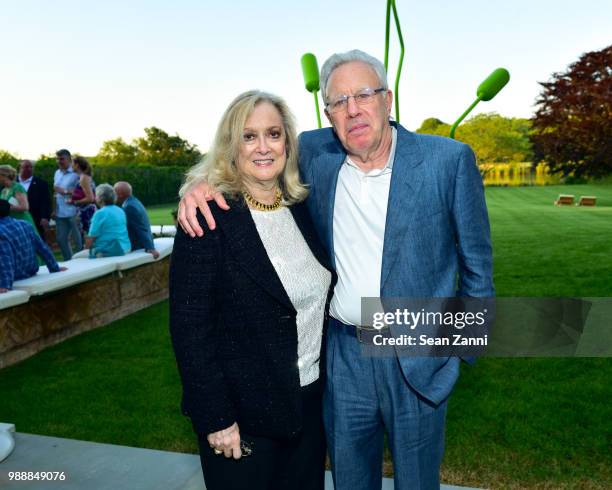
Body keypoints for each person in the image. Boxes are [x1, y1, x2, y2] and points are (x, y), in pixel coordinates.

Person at [177, 50, 494, 490]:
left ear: (387, 99)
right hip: (343, 356)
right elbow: (246, 156)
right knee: (348, 479)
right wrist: (198, 187)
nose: (352, 109)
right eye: (338, 101)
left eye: (363, 94)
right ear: (327, 114)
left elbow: (478, 269)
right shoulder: (315, 153)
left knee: (418, 482)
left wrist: (459, 353)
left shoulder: (448, 160)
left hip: (418, 349)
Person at [169, 90, 334, 490]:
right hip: (241, 419)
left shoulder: (300, 206)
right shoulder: (209, 215)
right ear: (231, 145)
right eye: (248, 136)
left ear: (287, 143)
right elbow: (190, 330)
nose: (263, 147)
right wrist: (216, 417)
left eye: (273, 134)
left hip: (308, 406)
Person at [0, 200, 67, 293]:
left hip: (14, 276)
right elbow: (42, 248)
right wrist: (54, 267)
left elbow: (5, 259)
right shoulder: (25, 224)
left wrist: (5, 285)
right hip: (30, 271)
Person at [113, 181, 159, 259]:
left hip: (137, 245)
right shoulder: (133, 202)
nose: (113, 194)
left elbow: (140, 228)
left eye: (114, 192)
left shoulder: (129, 207)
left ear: (120, 194)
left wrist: (150, 248)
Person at [84, 184, 131, 258]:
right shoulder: (120, 210)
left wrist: (85, 249)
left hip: (112, 251)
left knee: (75, 257)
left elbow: (91, 238)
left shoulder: (100, 213)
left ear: (100, 198)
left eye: (96, 195)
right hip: (126, 248)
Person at [53, 149, 82, 260]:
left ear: (69, 159)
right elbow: (55, 192)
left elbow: (84, 191)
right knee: (61, 239)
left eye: (62, 159)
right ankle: (69, 262)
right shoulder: (57, 173)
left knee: (78, 240)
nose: (59, 161)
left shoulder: (76, 173)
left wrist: (64, 191)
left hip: (74, 211)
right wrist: (54, 209)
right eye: (57, 159)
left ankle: (84, 264)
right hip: (60, 212)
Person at [18, 159, 51, 239]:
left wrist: (45, 217)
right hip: (17, 217)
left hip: (36, 219)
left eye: (31, 167)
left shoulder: (41, 183)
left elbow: (46, 202)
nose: (29, 169)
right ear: (19, 168)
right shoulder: (13, 183)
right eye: (26, 167)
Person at [0, 164, 36, 229]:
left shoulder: (17, 187)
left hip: (22, 222)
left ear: (4, 175)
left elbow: (25, 207)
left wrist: (5, 208)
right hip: (11, 223)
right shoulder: (4, 190)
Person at [69, 156, 96, 235]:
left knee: (88, 238)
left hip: (86, 212)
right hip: (86, 211)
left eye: (72, 164)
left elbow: (90, 198)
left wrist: (75, 202)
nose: (71, 166)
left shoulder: (84, 178)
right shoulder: (84, 176)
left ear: (77, 165)